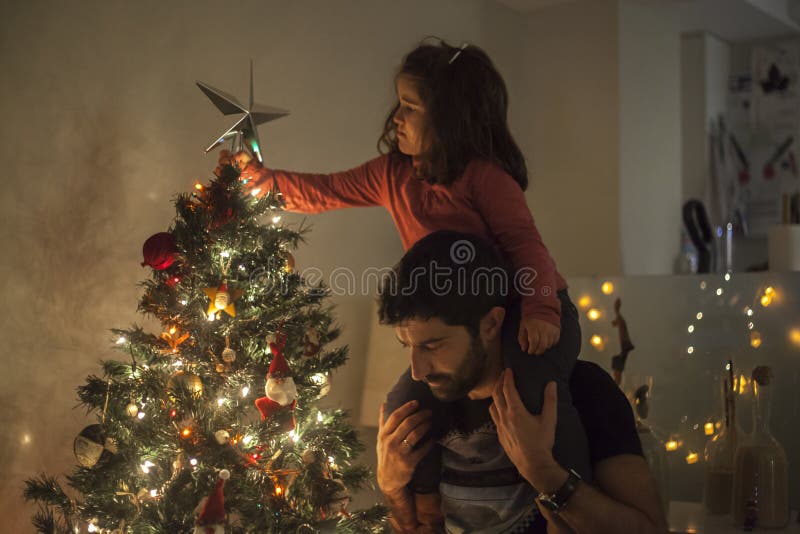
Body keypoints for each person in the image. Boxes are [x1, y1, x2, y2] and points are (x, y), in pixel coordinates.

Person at [220, 37, 591, 484]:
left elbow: (529, 249)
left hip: (526, 314)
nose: (396, 117)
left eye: (410, 107)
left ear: (451, 119)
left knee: (534, 394)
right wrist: (263, 181)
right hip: (460, 327)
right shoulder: (392, 174)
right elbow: (325, 190)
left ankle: (574, 488)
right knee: (402, 409)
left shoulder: (484, 179)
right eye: (399, 104)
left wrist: (541, 310)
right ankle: (427, 511)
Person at [376, 231, 668, 533]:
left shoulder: (584, 390)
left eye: (433, 346)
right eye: (406, 346)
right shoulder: (421, 409)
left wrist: (544, 472)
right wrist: (392, 489)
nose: (417, 371)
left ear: (491, 324)